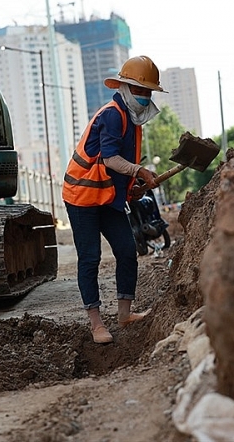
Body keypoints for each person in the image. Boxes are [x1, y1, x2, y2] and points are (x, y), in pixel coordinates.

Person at [62, 55, 166, 344]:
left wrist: (135, 186)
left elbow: (121, 169)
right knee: (90, 258)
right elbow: (109, 160)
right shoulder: (112, 114)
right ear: (124, 88)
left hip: (107, 196)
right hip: (82, 196)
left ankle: (124, 313)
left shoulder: (133, 122)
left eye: (148, 92)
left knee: (125, 249)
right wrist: (140, 170)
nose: (144, 98)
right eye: (140, 91)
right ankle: (96, 324)